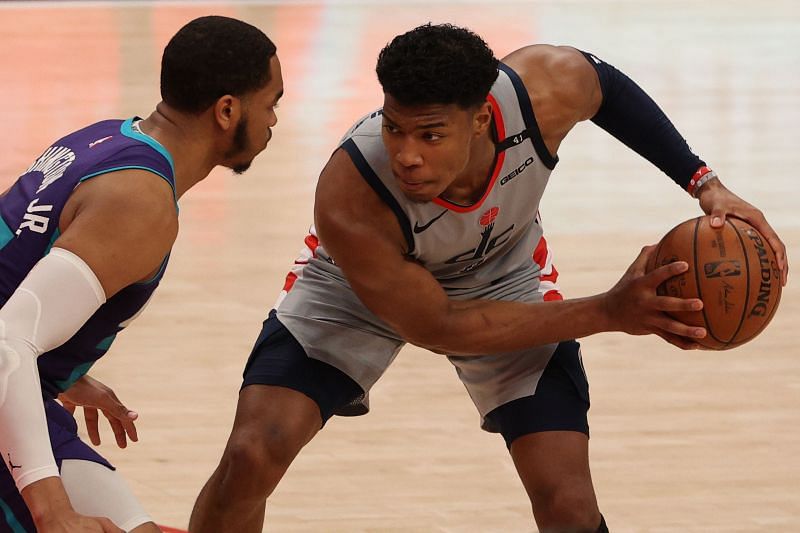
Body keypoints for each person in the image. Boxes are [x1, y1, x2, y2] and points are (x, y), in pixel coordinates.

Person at [190, 23, 787, 532]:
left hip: (503, 275)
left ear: (480, 119)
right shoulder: (351, 193)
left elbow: (607, 89)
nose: (406, 155)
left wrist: (706, 184)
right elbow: (443, 326)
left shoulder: (544, 89)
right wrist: (609, 312)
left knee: (569, 504)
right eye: (394, 128)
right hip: (360, 291)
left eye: (429, 135)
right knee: (250, 455)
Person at [0, 15, 283, 532]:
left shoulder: (105, 139)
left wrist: (65, 370)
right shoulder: (141, 199)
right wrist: (53, 513)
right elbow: (6, 339)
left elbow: (11, 269)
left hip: (22, 389)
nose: (274, 121)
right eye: (271, 103)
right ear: (227, 111)